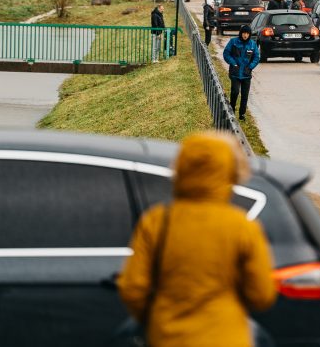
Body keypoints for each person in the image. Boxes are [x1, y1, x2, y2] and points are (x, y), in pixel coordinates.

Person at [118, 132, 277, 347]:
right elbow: (262, 295)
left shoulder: (157, 221)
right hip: (227, 337)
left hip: (168, 337)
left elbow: (132, 287)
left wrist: (156, 317)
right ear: (232, 170)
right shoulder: (243, 227)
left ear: (181, 167)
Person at [223, 25, 260, 121]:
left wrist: (250, 67)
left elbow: (256, 57)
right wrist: (233, 63)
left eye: (247, 33)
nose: (245, 35)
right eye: (244, 33)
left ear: (249, 34)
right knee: (235, 91)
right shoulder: (233, 42)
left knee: (245, 95)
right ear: (241, 33)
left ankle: (242, 114)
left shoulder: (252, 44)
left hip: (246, 74)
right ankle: (232, 111)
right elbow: (226, 53)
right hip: (235, 73)